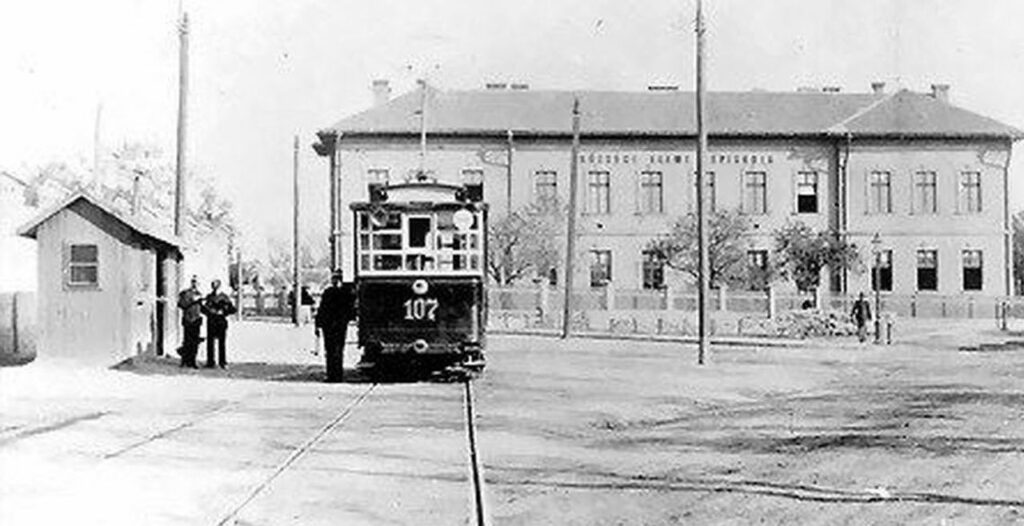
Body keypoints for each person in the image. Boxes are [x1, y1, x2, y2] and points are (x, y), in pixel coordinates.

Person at [315, 269, 356, 382]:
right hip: (339, 324)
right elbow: (351, 310)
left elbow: (322, 309)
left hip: (329, 325)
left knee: (331, 350)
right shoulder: (347, 293)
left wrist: (318, 324)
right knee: (338, 349)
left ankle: (332, 375)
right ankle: (337, 375)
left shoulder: (328, 292)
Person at [202, 279, 237, 368]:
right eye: (213, 286)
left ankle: (223, 362)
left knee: (222, 343)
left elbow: (232, 309)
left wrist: (223, 312)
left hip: (221, 321)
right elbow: (204, 309)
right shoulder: (209, 296)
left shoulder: (224, 297)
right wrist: (209, 312)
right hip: (211, 321)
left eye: (216, 286)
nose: (214, 288)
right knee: (210, 343)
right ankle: (210, 362)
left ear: (219, 286)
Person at [177, 276, 203, 368]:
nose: (195, 284)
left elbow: (201, 308)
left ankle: (192, 361)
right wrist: (192, 301)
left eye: (197, 282)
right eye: (193, 282)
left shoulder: (199, 294)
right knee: (187, 341)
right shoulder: (185, 293)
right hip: (188, 320)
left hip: (196, 321)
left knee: (195, 342)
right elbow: (181, 304)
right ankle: (184, 361)